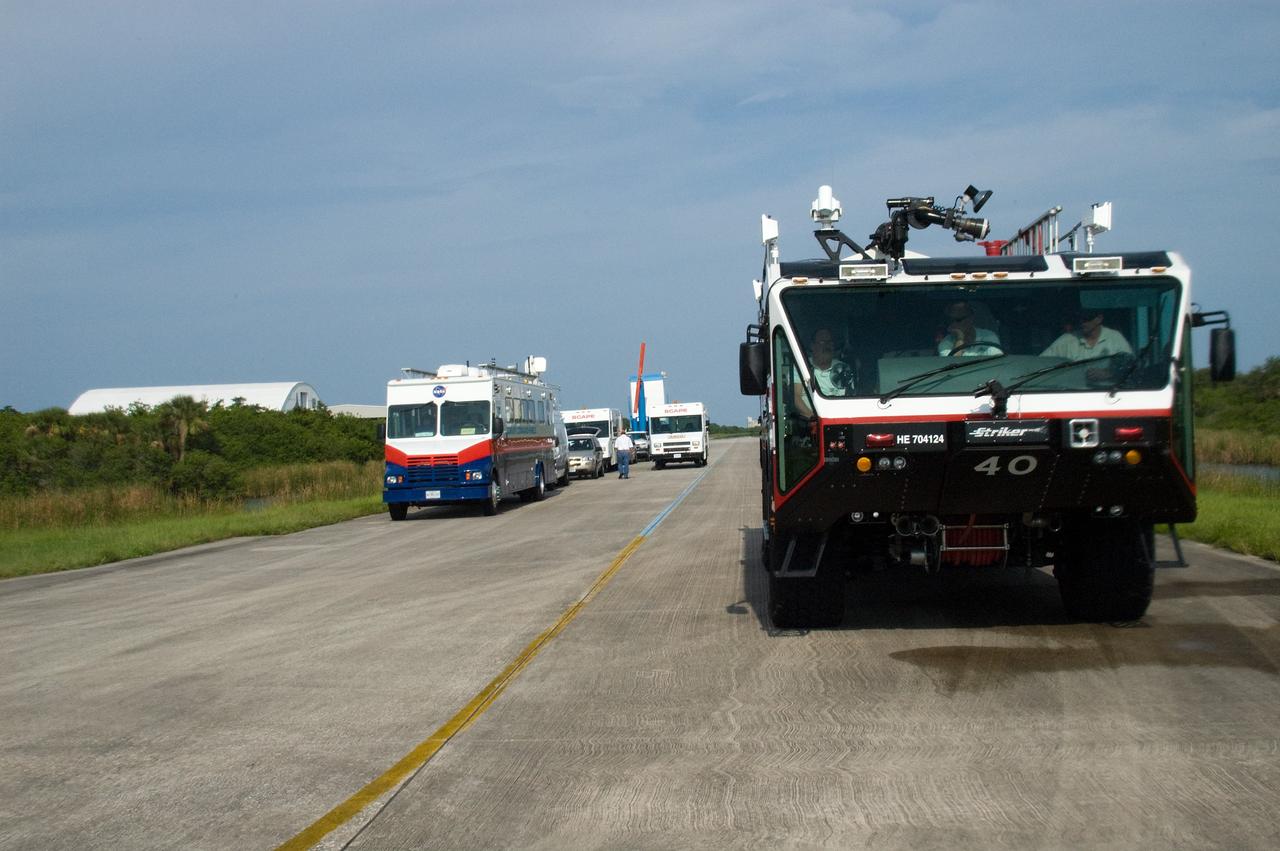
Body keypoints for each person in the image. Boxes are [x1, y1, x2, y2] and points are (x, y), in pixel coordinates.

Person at [794, 327, 855, 417]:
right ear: (813, 346)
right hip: (809, 422)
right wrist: (814, 419)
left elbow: (850, 397)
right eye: (822, 342)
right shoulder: (801, 366)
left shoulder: (843, 368)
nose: (827, 346)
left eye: (829, 342)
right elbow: (796, 397)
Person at [1041, 308, 1133, 361]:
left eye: (1086, 318)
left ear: (1099, 319)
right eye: (1079, 319)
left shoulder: (1115, 338)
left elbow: (1129, 366)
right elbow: (1041, 363)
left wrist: (1108, 373)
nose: (1082, 323)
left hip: (1110, 391)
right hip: (1072, 392)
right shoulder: (1066, 340)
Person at [937, 301, 1002, 356]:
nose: (954, 323)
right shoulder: (946, 343)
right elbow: (951, 364)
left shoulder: (989, 336)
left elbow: (997, 358)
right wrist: (960, 339)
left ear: (971, 318)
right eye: (951, 320)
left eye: (958, 320)